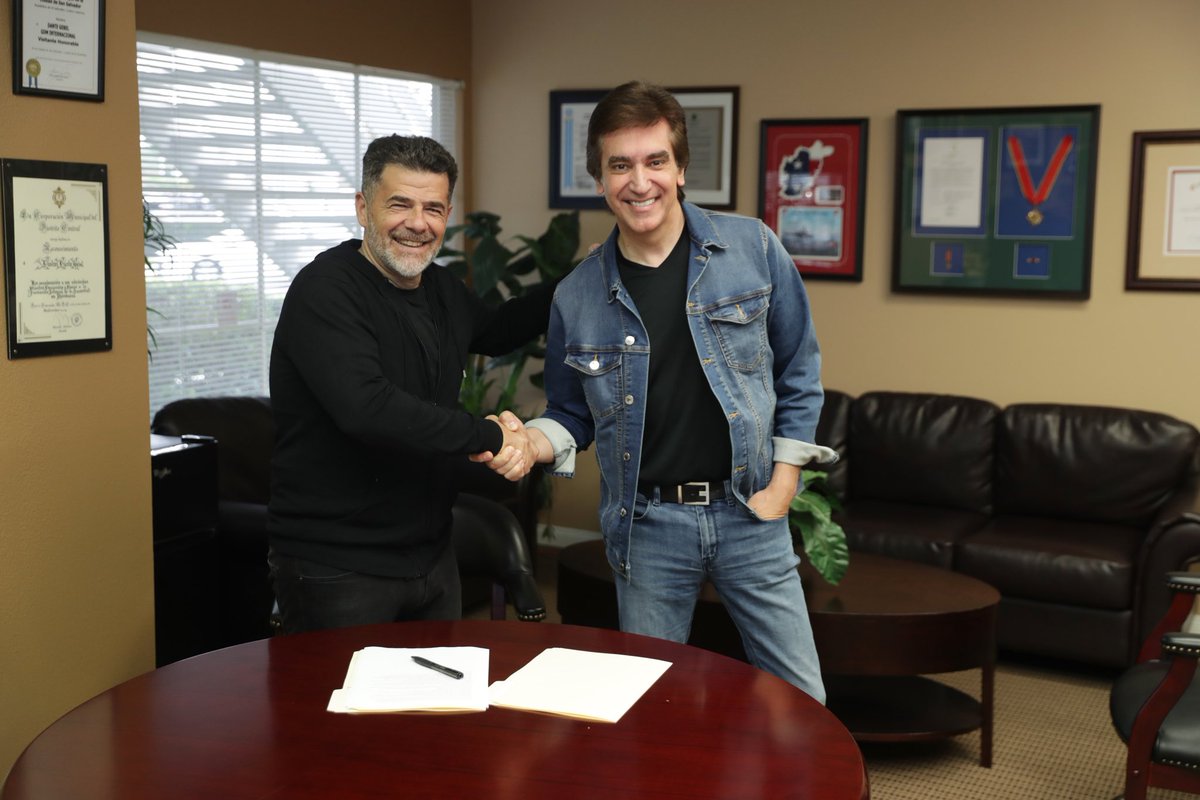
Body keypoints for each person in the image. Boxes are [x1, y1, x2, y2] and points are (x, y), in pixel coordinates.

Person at [480, 82, 836, 702]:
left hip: (750, 512)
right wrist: (530, 443)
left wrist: (784, 484)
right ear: (600, 179)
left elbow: (799, 371)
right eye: (620, 165)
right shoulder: (576, 296)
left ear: (680, 169)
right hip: (648, 527)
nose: (639, 182)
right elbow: (571, 413)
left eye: (655, 161)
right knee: (651, 707)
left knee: (802, 702)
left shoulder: (752, 248)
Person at [267, 134, 547, 635]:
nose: (418, 223)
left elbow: (501, 330)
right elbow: (368, 409)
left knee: (440, 688)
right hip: (339, 566)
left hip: (431, 556)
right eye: (400, 204)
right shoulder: (326, 289)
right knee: (340, 691)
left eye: (433, 209)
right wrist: (491, 435)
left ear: (447, 215)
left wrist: (587, 277)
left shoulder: (440, 288)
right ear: (363, 207)